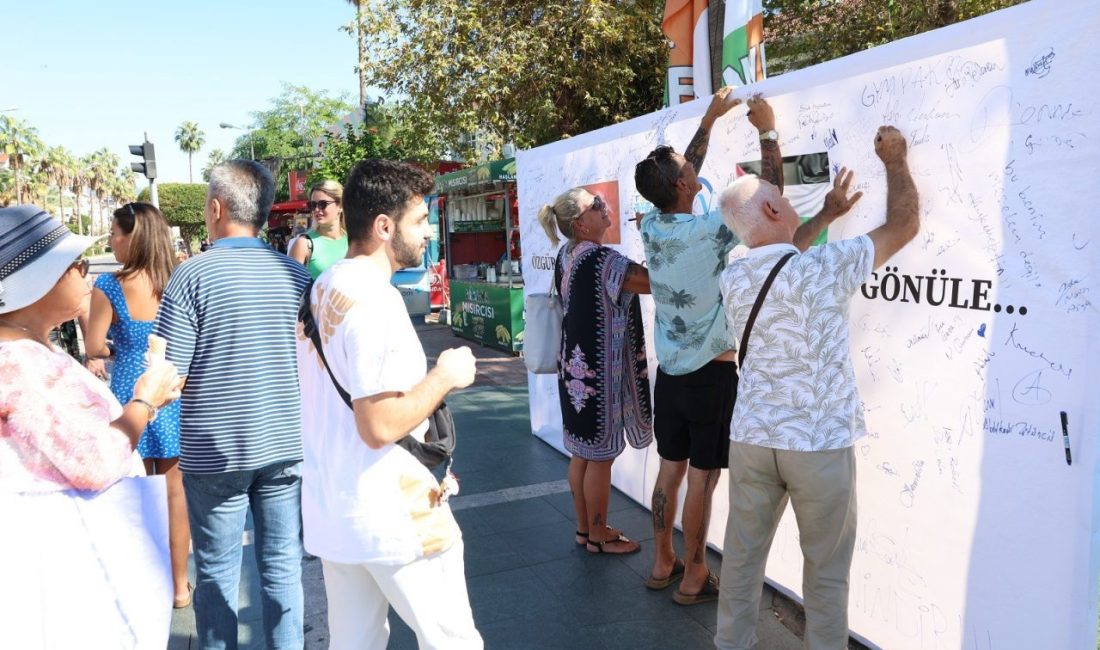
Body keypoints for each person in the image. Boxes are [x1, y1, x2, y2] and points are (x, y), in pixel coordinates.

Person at [634, 90, 856, 605]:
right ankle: (693, 572)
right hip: (712, 376)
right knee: (702, 482)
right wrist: (768, 130)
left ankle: (661, 558)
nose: (691, 168)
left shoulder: (653, 222)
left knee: (670, 470)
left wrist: (709, 119)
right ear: (684, 184)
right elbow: (769, 198)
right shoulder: (708, 230)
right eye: (684, 168)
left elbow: (682, 171)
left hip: (670, 373)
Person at [714, 126, 918, 649]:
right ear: (775, 213)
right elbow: (904, 224)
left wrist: (825, 215)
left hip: (754, 440)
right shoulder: (826, 268)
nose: (790, 203)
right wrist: (894, 160)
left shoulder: (733, 278)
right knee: (826, 574)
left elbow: (780, 258)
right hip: (818, 444)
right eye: (783, 199)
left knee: (740, 561)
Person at [296, 159, 482, 649]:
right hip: (394, 516)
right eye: (420, 221)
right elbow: (377, 424)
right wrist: (445, 376)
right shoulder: (375, 301)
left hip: (337, 511)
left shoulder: (325, 285)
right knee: (453, 641)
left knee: (355, 642)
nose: (427, 232)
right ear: (383, 226)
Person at [0, 204, 183, 646]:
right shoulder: (16, 363)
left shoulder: (30, 348)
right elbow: (94, 461)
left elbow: (97, 348)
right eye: (76, 265)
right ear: (38, 281)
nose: (86, 274)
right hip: (64, 566)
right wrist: (145, 401)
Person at [153, 160, 311, 648]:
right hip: (285, 442)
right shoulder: (295, 276)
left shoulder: (191, 277)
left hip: (215, 452)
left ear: (217, 208)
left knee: (219, 572)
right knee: (283, 568)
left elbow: (168, 372)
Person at [84, 201, 192, 609]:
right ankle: (180, 587)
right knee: (175, 493)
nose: (111, 241)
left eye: (114, 233)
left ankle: (146, 583)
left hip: (131, 393)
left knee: (134, 494)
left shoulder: (108, 287)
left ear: (133, 236)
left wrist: (111, 344)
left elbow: (94, 346)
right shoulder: (178, 280)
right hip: (169, 387)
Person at [537, 187, 653, 554]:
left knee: (582, 453)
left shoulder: (566, 254)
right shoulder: (604, 260)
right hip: (599, 376)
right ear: (580, 224)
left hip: (575, 369)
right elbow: (654, 282)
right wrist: (655, 233)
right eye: (595, 206)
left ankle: (585, 531)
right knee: (600, 457)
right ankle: (600, 535)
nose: (605, 208)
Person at [289, 180, 348, 279]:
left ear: (340, 206)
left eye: (322, 204)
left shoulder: (354, 240)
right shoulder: (304, 243)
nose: (316, 209)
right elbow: (291, 287)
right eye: (312, 205)